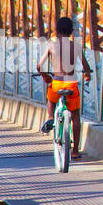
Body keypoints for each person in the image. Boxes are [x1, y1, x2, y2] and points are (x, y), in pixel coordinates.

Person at [37, 16, 93, 160]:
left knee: (51, 99)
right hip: (71, 84)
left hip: (56, 83)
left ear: (56, 30)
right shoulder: (77, 46)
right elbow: (86, 67)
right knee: (75, 117)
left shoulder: (51, 45)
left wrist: (45, 76)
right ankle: (75, 150)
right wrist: (87, 75)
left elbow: (39, 66)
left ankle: (50, 117)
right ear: (71, 31)